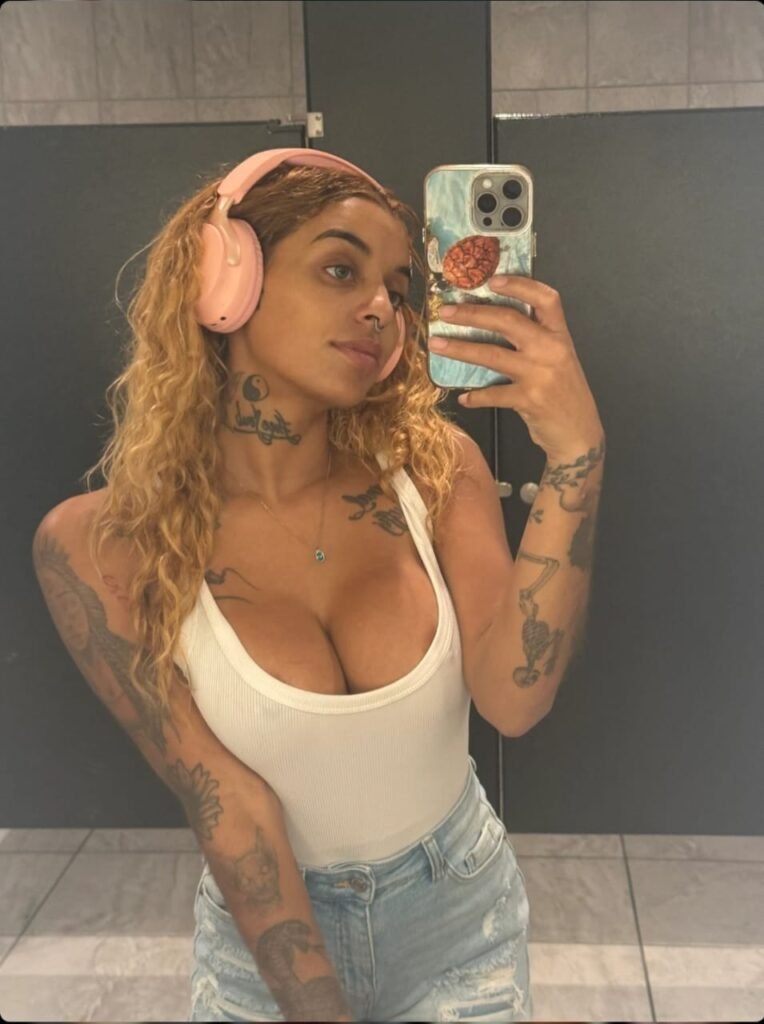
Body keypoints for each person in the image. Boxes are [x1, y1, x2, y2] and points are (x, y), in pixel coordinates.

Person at [32, 149, 533, 1022]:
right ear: (226, 281)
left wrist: (577, 459)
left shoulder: (436, 471)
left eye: (398, 290)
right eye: (341, 269)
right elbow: (227, 805)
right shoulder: (102, 546)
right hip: (263, 947)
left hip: (463, 917)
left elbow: (515, 702)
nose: (380, 308)